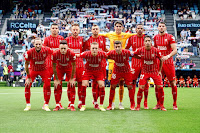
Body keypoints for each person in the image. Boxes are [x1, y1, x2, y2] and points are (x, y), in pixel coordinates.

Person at [100, 21, 135, 110]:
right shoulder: (110, 34)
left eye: (120, 26)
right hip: (113, 62)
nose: (118, 28)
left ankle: (121, 103)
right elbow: (99, 35)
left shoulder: (125, 35)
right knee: (113, 84)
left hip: (124, 64)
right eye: (117, 26)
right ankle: (112, 104)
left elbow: (136, 34)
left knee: (122, 84)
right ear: (114, 27)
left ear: (122, 27)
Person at [133, 35, 166, 111]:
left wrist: (160, 70)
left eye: (149, 41)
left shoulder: (156, 50)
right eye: (146, 41)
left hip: (154, 72)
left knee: (160, 87)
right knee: (141, 88)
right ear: (144, 42)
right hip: (144, 72)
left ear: (151, 42)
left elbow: (161, 60)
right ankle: (138, 106)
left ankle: (161, 105)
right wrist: (140, 57)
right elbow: (134, 55)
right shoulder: (140, 50)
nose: (147, 42)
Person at [154, 22, 178, 110]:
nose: (161, 28)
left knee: (172, 82)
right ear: (157, 28)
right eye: (160, 26)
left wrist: (167, 56)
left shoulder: (170, 37)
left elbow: (175, 50)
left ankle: (174, 104)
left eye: (163, 26)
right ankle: (158, 104)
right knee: (157, 84)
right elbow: (155, 50)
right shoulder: (155, 38)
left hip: (168, 63)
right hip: (158, 63)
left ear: (165, 27)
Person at [24, 38, 53, 111]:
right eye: (36, 44)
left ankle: (46, 104)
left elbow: (55, 52)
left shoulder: (46, 49)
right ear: (34, 44)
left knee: (48, 85)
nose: (38, 46)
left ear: (42, 44)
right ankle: (28, 104)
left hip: (44, 69)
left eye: (39, 44)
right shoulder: (29, 52)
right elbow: (26, 65)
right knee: (27, 84)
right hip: (33, 70)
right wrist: (28, 76)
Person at [77, 42, 107, 111]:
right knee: (84, 85)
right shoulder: (86, 53)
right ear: (90, 49)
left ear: (98, 49)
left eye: (96, 48)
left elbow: (110, 56)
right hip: (88, 70)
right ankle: (83, 105)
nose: (94, 50)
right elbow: (77, 55)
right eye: (93, 48)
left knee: (102, 85)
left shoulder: (102, 54)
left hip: (98, 71)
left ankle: (101, 105)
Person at [125, 24, 149, 109]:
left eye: (141, 28)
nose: (139, 30)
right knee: (132, 82)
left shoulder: (146, 39)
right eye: (138, 28)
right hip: (135, 63)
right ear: (135, 30)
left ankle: (145, 102)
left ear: (143, 30)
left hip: (145, 62)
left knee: (145, 82)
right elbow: (126, 49)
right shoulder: (132, 38)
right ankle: (133, 102)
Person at [106, 41, 135, 110]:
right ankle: (110, 105)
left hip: (126, 71)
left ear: (121, 47)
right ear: (114, 47)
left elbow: (135, 55)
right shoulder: (111, 52)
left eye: (119, 47)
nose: (117, 48)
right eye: (116, 47)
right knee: (112, 86)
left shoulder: (126, 52)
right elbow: (105, 56)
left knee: (130, 87)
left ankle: (132, 105)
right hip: (116, 71)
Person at [84, 24, 108, 109]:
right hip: (92, 66)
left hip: (102, 65)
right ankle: (95, 102)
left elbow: (105, 50)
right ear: (91, 30)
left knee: (101, 85)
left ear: (99, 30)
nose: (95, 30)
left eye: (96, 29)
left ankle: (97, 101)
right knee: (94, 84)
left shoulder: (103, 39)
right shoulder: (88, 40)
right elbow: (85, 51)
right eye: (93, 29)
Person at [43, 23, 65, 109]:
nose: (55, 29)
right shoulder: (47, 39)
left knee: (59, 84)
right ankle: (45, 103)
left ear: (58, 29)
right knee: (47, 84)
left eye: (56, 28)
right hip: (48, 65)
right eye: (53, 28)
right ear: (50, 29)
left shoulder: (61, 39)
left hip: (59, 65)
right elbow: (43, 50)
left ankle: (58, 103)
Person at [65, 23, 85, 109]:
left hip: (80, 65)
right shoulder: (67, 40)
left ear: (79, 30)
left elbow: (84, 52)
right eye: (74, 29)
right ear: (71, 30)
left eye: (77, 29)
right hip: (70, 66)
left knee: (81, 84)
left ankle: (80, 102)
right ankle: (70, 103)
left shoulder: (82, 40)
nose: (75, 31)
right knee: (70, 85)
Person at [52, 40, 76, 111]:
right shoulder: (55, 54)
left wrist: (72, 78)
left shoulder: (71, 53)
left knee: (72, 84)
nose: (63, 50)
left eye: (64, 49)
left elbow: (74, 66)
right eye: (61, 48)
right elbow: (53, 66)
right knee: (57, 85)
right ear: (59, 48)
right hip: (59, 69)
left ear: (67, 48)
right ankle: (57, 104)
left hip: (69, 69)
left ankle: (71, 104)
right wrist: (56, 78)